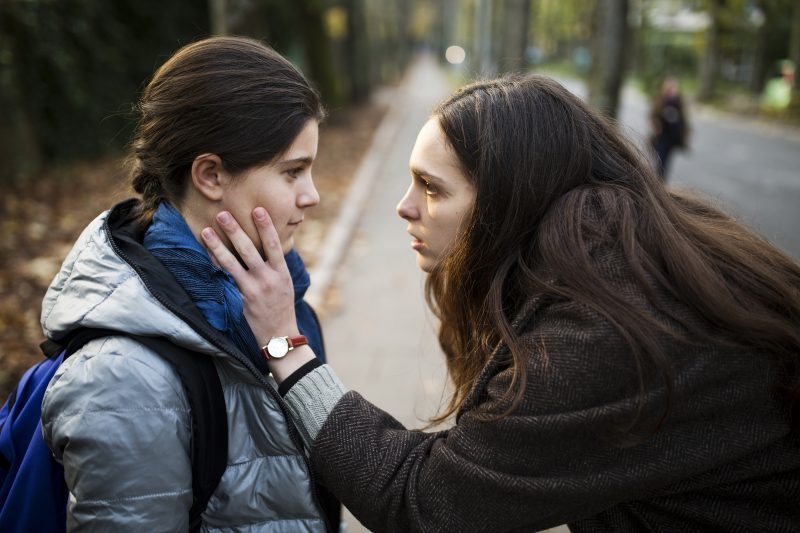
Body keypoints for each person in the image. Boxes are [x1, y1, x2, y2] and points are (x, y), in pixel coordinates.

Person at [202, 74, 800, 532]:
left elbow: (423, 502)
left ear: (509, 199)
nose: (404, 207)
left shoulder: (606, 330)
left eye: (432, 188)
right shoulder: (620, 251)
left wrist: (285, 342)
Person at [40, 36, 340, 531]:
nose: (313, 195)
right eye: (293, 172)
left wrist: (283, 335)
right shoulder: (122, 379)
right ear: (211, 175)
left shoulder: (278, 301)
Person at [649, 75, 690, 180]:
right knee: (659, 161)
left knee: (665, 163)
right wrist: (656, 125)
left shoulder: (678, 102)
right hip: (661, 137)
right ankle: (657, 183)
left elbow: (684, 120)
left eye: (674, 87)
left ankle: (661, 184)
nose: (671, 89)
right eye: (669, 87)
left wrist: (686, 135)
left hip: (672, 137)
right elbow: (653, 115)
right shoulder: (660, 101)